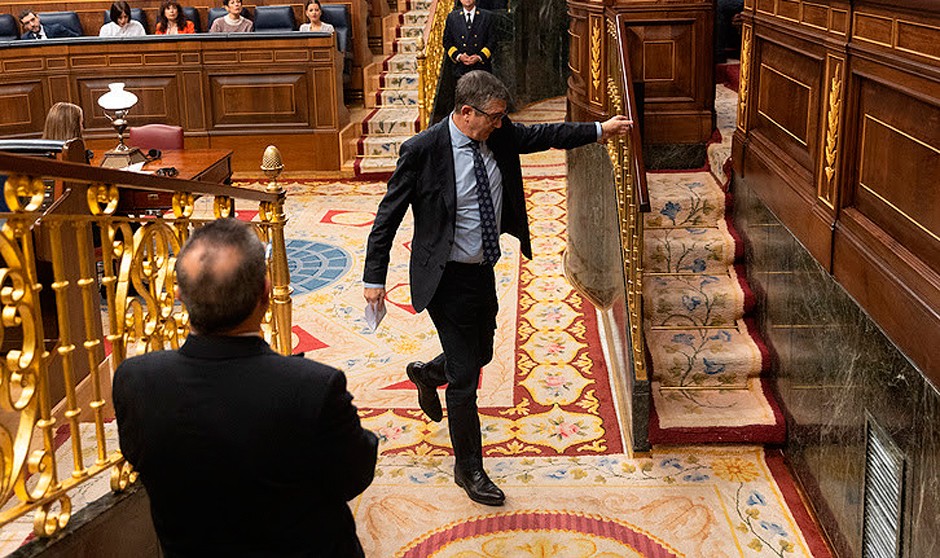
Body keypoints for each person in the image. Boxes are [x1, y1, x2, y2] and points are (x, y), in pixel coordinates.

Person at [362, 71, 631, 506]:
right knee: (467, 377)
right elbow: (386, 217)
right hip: (444, 277)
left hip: (481, 271)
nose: (501, 124)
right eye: (495, 117)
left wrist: (601, 130)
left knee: (481, 352)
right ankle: (468, 468)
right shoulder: (423, 151)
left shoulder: (499, 136)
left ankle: (426, 373)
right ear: (466, 113)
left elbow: (547, 134)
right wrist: (374, 278)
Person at [114, 218, 378, 557]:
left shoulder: (135, 380)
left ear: (179, 296)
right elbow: (354, 476)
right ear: (266, 292)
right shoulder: (313, 388)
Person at [443, 0, 495, 79]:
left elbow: (492, 40)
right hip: (460, 69)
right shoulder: (452, 17)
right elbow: (447, 41)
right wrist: (459, 56)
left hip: (481, 68)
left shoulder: (487, 16)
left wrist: (479, 57)